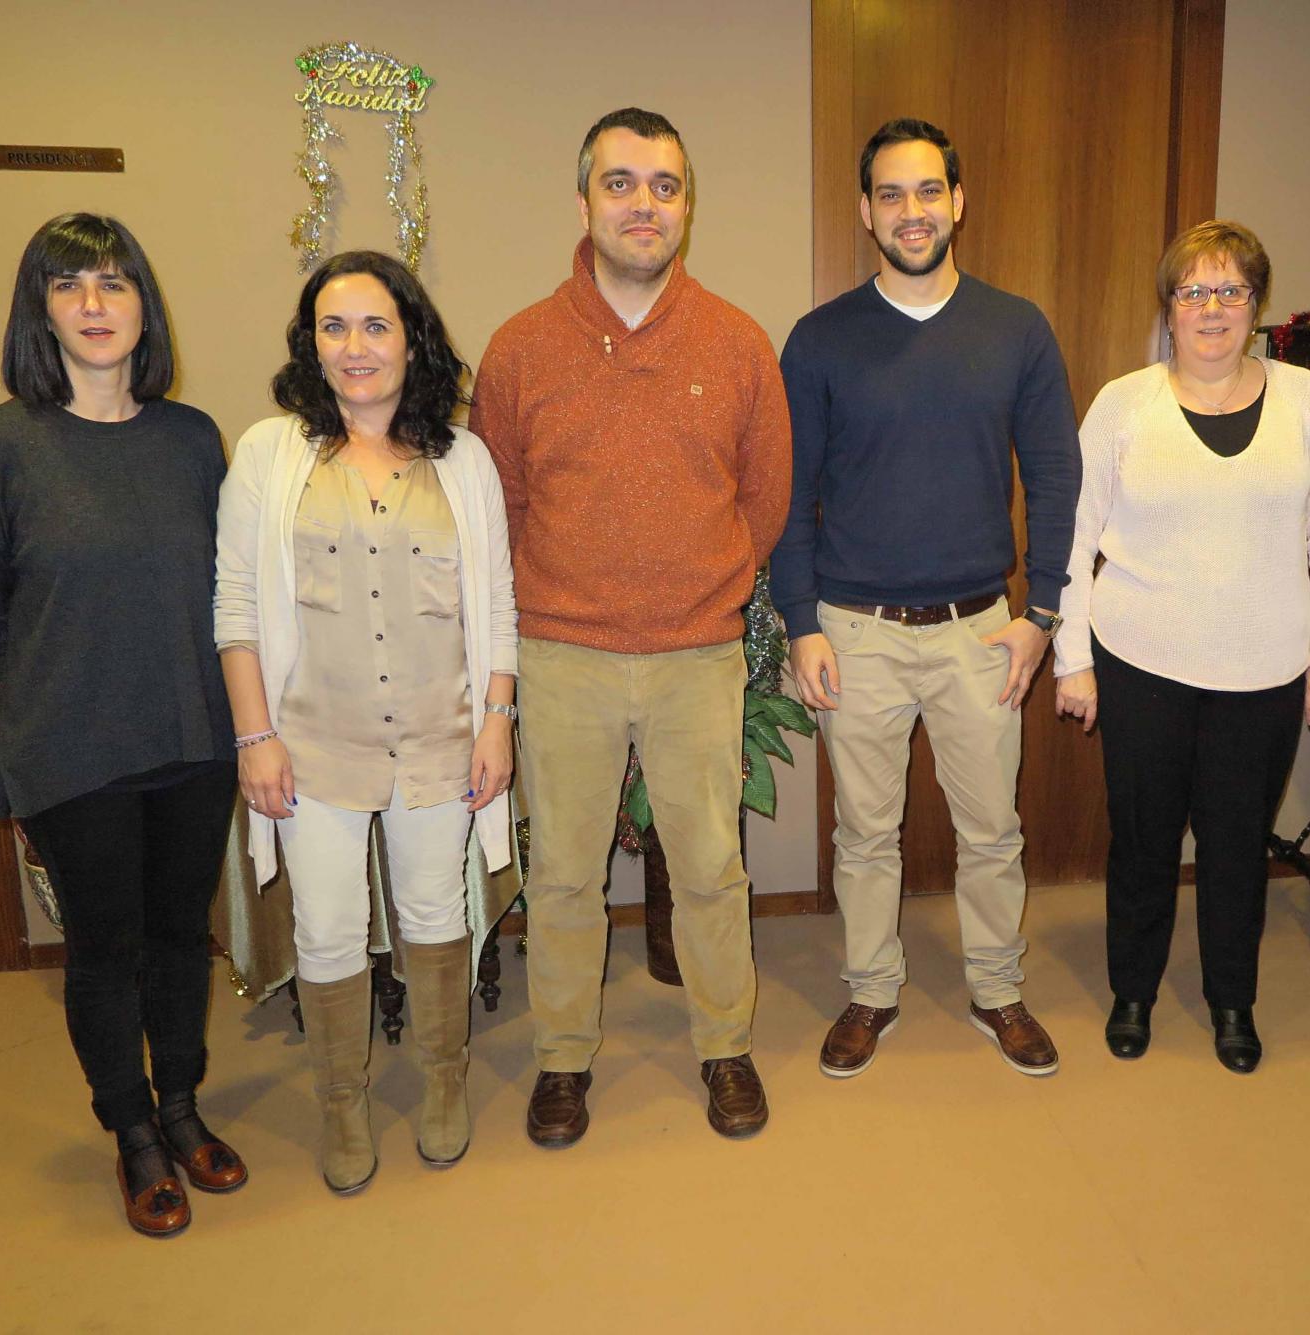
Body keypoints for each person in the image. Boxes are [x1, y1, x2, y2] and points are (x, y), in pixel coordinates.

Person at [468, 107, 790, 1143]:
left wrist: (704, 588)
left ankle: (723, 1044)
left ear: (685, 206)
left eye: (663, 185)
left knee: (708, 869)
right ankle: (561, 1059)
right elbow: (497, 502)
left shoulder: (736, 341)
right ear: (583, 201)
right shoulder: (520, 349)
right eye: (620, 183)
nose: (642, 204)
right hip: (563, 656)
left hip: (697, 656)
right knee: (562, 874)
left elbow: (765, 496)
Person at [0, 213, 243, 1238]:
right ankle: (132, 1133)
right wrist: (59, 688)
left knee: (177, 937)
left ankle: (182, 1106)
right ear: (40, 310)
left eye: (113, 284)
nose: (92, 304)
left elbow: (224, 589)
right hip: (73, 746)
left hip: (192, 736)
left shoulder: (191, 437)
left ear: (141, 304)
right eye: (67, 286)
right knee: (104, 949)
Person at [776, 117, 1083, 1079]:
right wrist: (800, 623)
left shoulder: (1016, 328)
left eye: (928, 192)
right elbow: (788, 496)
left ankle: (997, 986)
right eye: (891, 195)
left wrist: (1041, 616)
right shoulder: (821, 340)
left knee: (992, 828)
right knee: (864, 833)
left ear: (959, 201)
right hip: (854, 631)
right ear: (867, 211)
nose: (912, 212)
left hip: (979, 633)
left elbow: (1057, 477)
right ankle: (871, 989)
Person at [214, 250, 517, 1194]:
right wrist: (254, 736)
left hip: (439, 736)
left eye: (376, 325)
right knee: (331, 928)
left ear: (412, 337)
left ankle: (442, 1081)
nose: (355, 347)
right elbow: (233, 604)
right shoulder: (270, 452)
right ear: (310, 344)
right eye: (332, 328)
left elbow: (497, 605)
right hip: (311, 745)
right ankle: (341, 1104)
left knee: (437, 912)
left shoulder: (463, 460)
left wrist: (497, 720)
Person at [1053, 220, 1310, 1072]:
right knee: (1144, 841)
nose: (1213, 308)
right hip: (1140, 663)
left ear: (1256, 306)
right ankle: (1134, 991)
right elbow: (1071, 540)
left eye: (1232, 290)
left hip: (1263, 670)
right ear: (1170, 309)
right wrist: (1071, 657)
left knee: (1236, 847)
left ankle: (1233, 999)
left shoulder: (1301, 399)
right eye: (1195, 291)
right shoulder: (1124, 404)